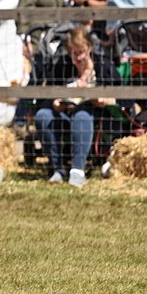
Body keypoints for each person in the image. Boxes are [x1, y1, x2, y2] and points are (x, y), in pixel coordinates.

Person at [33, 27, 120, 187]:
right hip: (66, 114)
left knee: (82, 115)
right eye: (74, 53)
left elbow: (125, 100)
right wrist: (55, 103)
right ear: (68, 51)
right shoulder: (61, 66)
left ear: (90, 48)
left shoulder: (104, 66)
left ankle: (77, 170)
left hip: (98, 118)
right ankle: (57, 169)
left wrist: (105, 100)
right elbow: (46, 96)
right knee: (43, 115)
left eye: (82, 52)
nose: (79, 57)